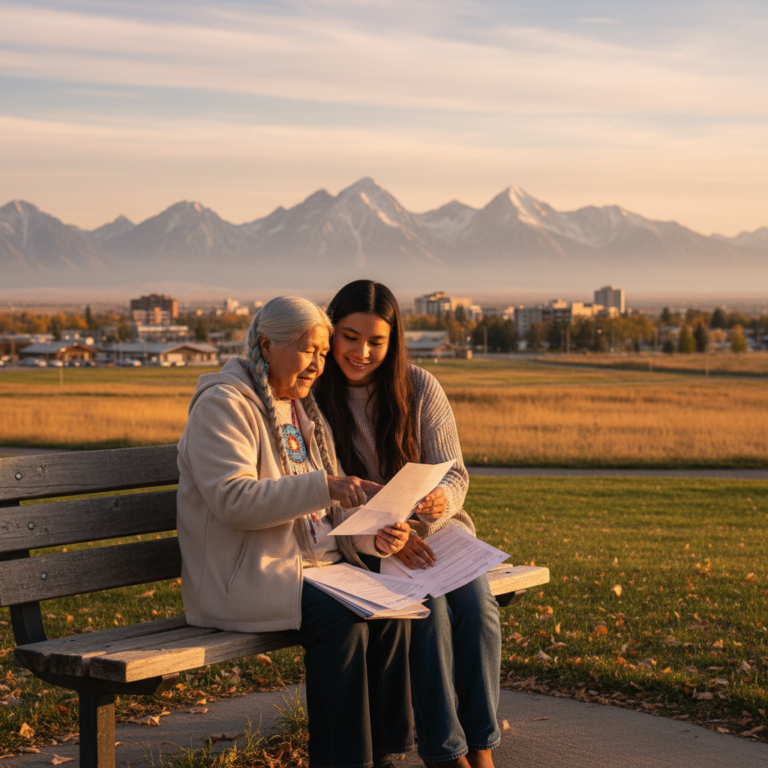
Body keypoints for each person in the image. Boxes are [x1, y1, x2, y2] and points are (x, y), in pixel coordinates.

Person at [176, 295, 414, 768]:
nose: (318, 365)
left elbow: (329, 513)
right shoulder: (223, 405)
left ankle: (386, 755)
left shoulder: (300, 410)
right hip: (247, 578)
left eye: (323, 353)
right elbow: (233, 501)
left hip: (314, 570)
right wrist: (325, 485)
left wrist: (374, 534)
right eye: (309, 351)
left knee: (392, 609)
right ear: (267, 345)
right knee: (341, 622)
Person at [315, 281, 502, 768]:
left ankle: (481, 747)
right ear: (331, 334)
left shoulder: (420, 386)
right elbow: (328, 496)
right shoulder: (316, 401)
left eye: (376, 341)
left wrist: (441, 501)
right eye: (350, 337)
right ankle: (445, 754)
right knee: (430, 615)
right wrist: (383, 539)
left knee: (480, 610)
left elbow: (455, 472)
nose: (361, 352)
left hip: (440, 538)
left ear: (394, 340)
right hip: (372, 547)